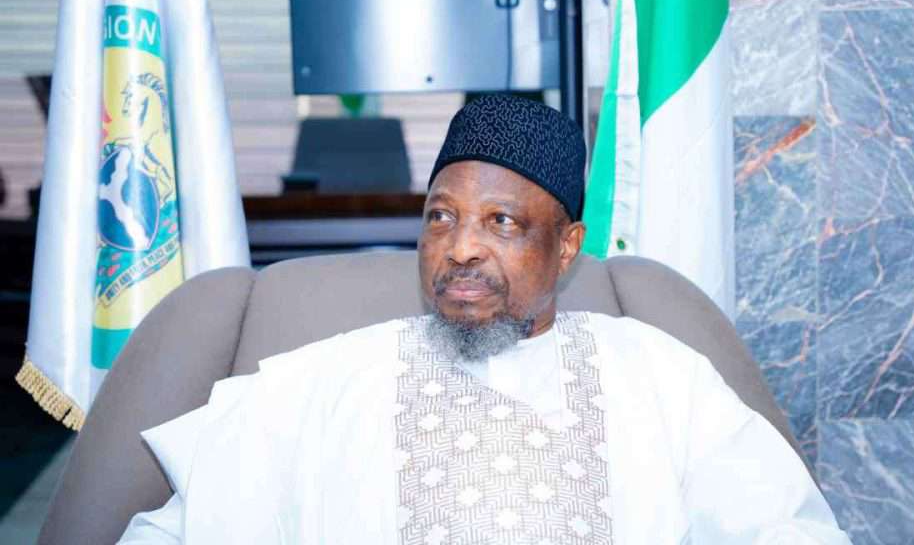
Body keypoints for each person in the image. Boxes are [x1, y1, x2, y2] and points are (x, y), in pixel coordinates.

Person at [119, 95, 851, 544]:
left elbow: (783, 531)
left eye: (502, 222)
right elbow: (171, 533)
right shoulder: (325, 378)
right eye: (441, 217)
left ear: (566, 247)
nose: (460, 248)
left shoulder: (660, 378)